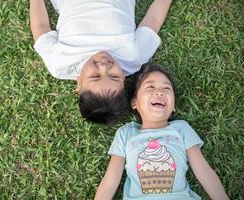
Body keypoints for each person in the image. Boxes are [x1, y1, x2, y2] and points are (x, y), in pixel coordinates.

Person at [94, 64, 229, 199]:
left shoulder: (181, 129)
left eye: (166, 88)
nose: (159, 92)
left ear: (173, 106)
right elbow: (110, 180)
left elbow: (203, 170)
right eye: (150, 87)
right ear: (135, 102)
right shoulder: (125, 133)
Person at [29, 0, 173, 124]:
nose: (104, 66)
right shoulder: (134, 56)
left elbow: (41, 27)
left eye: (95, 76)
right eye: (114, 76)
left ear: (79, 84)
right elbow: (154, 19)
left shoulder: (60, 63)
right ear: (123, 79)